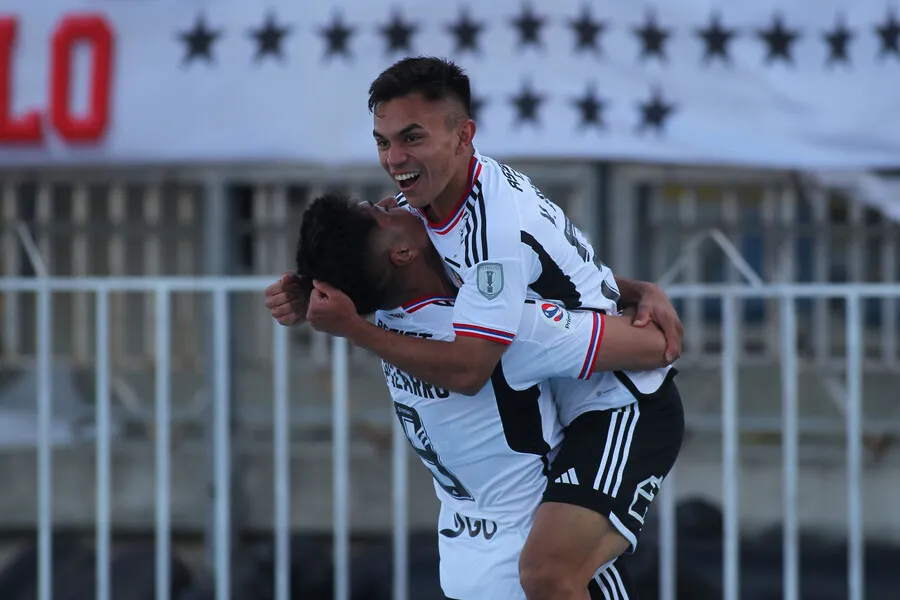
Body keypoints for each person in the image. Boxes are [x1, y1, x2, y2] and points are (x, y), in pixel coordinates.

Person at [266, 56, 685, 600]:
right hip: (552, 402)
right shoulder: (417, 206)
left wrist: (353, 329)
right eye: (382, 141)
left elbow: (471, 367)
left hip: (619, 396)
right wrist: (315, 286)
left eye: (411, 138)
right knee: (557, 575)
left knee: (547, 574)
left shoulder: (492, 233)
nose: (394, 161)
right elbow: (387, 268)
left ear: (464, 136)